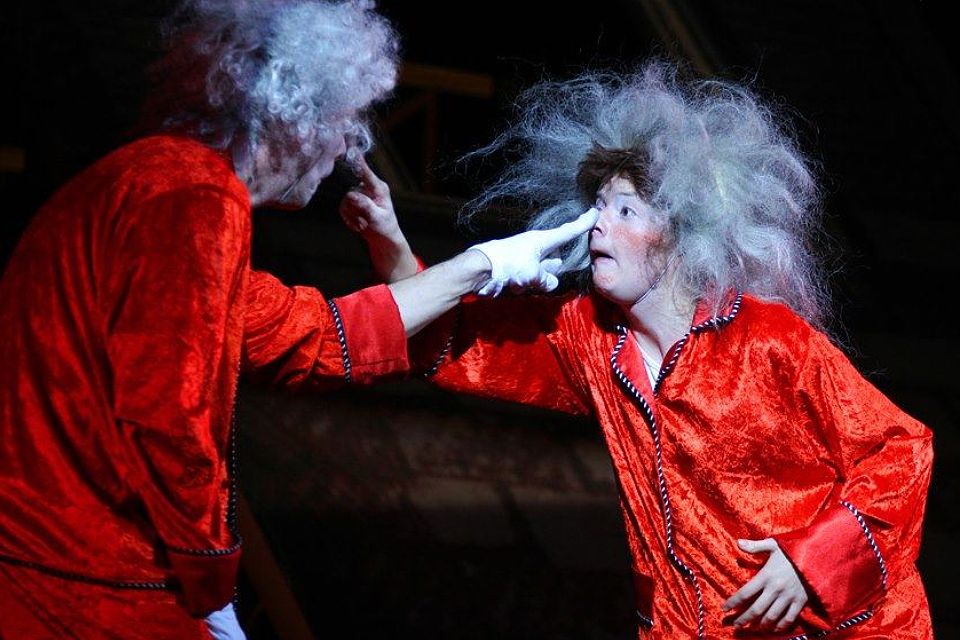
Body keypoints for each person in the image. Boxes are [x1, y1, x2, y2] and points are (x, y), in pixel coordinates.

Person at [0, 1, 594, 638]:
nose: (345, 147)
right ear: (295, 119)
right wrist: (208, 569)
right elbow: (168, 414)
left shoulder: (162, 181)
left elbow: (317, 335)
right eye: (343, 123)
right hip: (78, 583)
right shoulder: (194, 197)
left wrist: (481, 264)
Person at [353, 61, 934, 638]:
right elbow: (453, 338)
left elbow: (902, 450)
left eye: (625, 210)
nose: (597, 225)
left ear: (681, 235)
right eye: (598, 207)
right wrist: (391, 243)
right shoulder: (589, 337)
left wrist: (813, 562)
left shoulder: (767, 339)